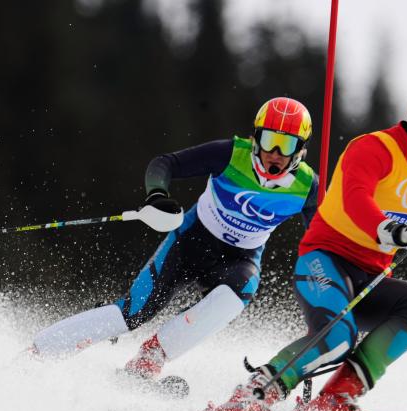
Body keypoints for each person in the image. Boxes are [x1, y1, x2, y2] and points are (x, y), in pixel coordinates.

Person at [199, 77, 407, 411]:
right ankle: (250, 398)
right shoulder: (374, 148)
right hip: (323, 262)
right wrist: (395, 230)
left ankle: (336, 399)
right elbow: (356, 198)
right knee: (339, 337)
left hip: (369, 277)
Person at [31, 97, 319, 382]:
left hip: (239, 260)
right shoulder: (231, 155)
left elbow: (321, 238)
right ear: (255, 138)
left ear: (301, 150)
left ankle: (149, 361)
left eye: (288, 144)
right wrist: (157, 195)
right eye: (269, 140)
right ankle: (37, 354)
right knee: (131, 314)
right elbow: (164, 164)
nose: (276, 153)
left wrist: (323, 267)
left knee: (238, 295)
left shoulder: (307, 187)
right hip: (192, 242)